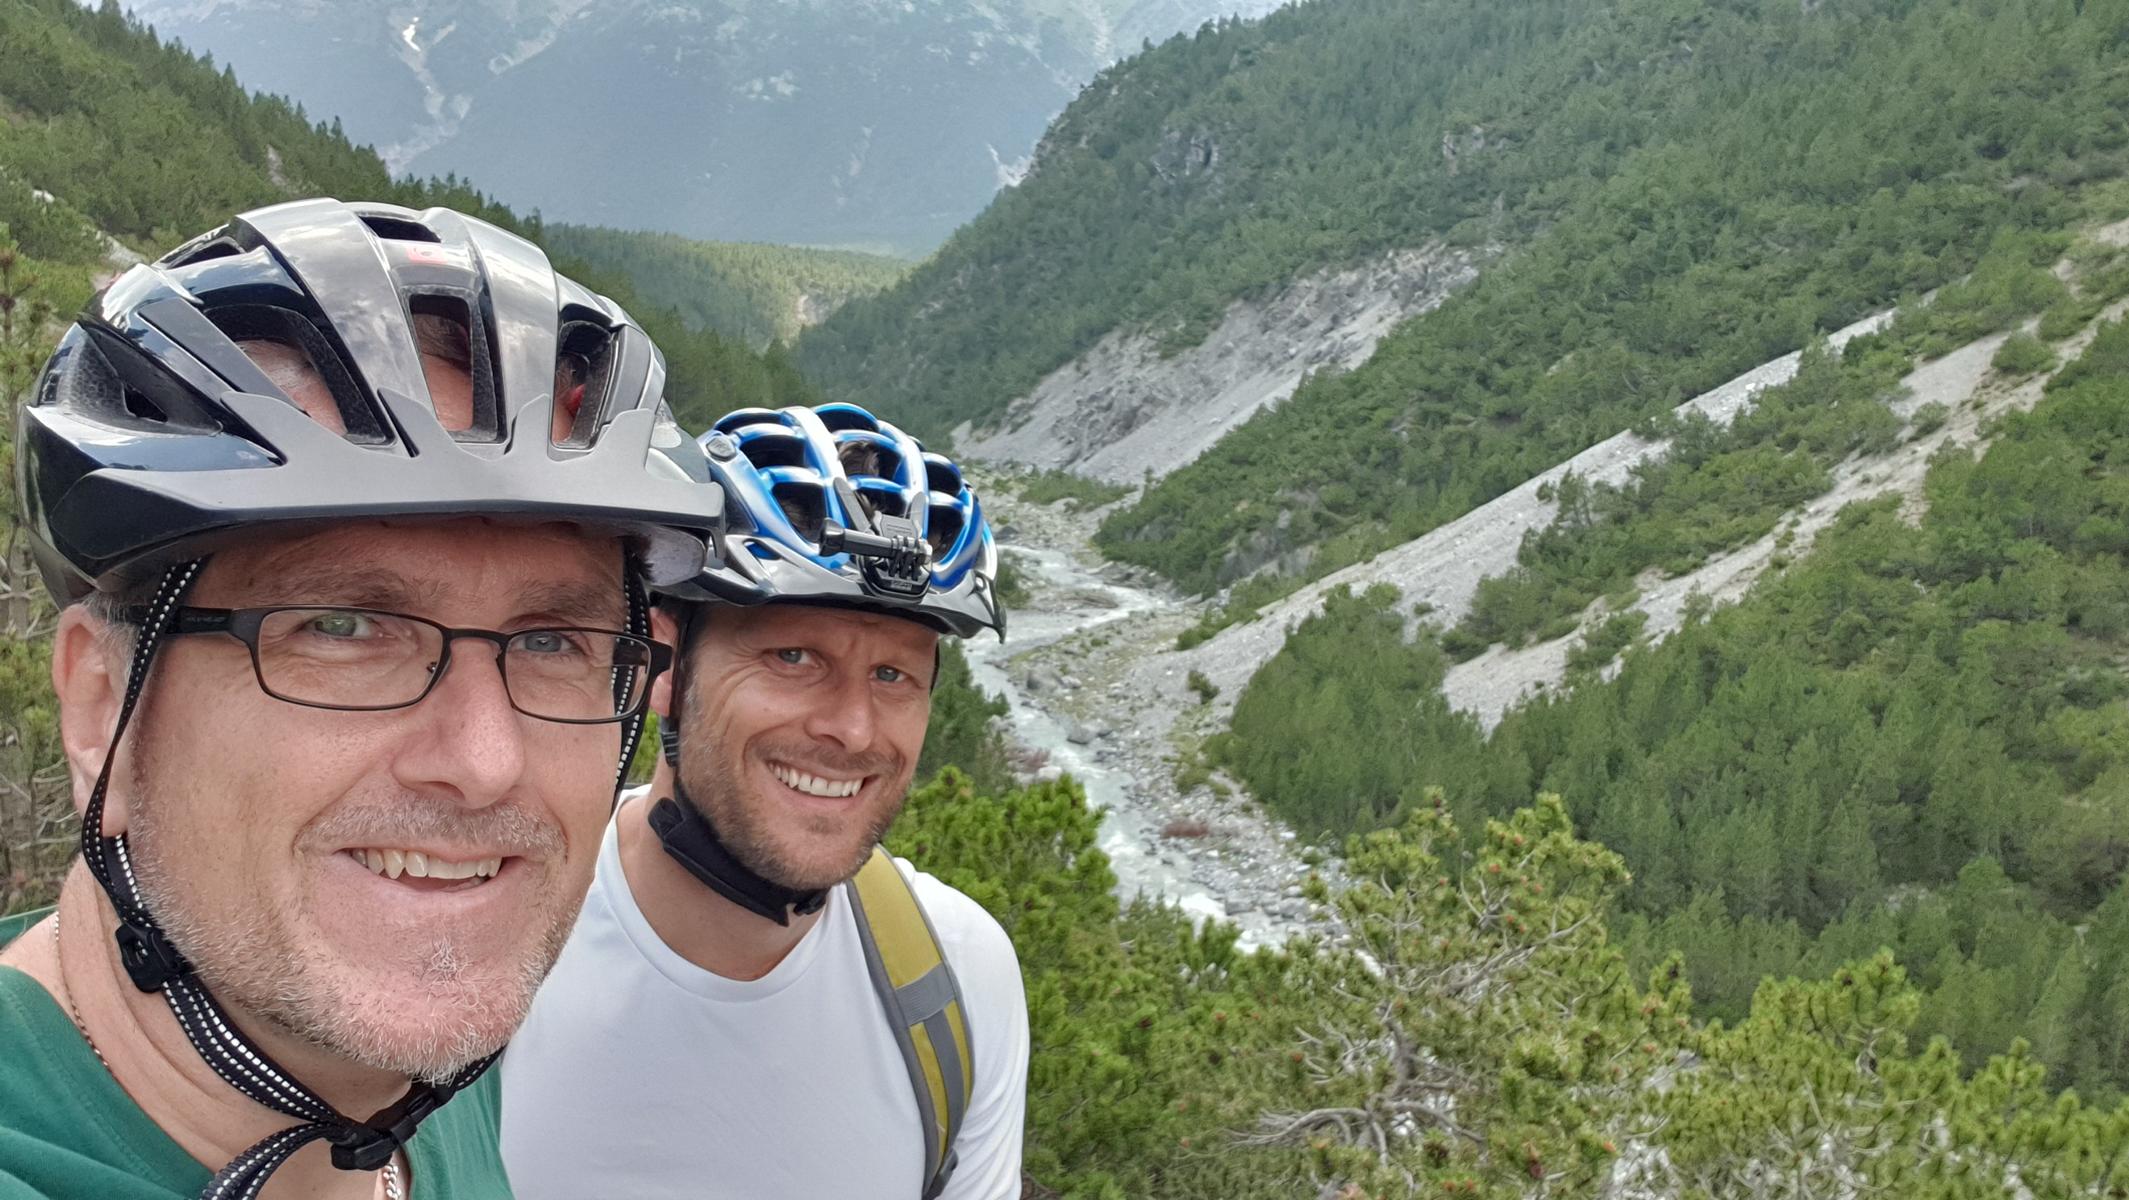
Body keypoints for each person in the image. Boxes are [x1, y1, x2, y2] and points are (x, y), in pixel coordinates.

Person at [0, 198, 722, 1200]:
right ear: (99, 710)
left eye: (553, 641)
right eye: (343, 628)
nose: (484, 763)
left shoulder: (430, 1062)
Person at [500, 404, 1030, 1198]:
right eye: (793, 657)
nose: (853, 730)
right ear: (664, 666)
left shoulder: (955, 977)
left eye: (893, 675)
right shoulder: (491, 951)